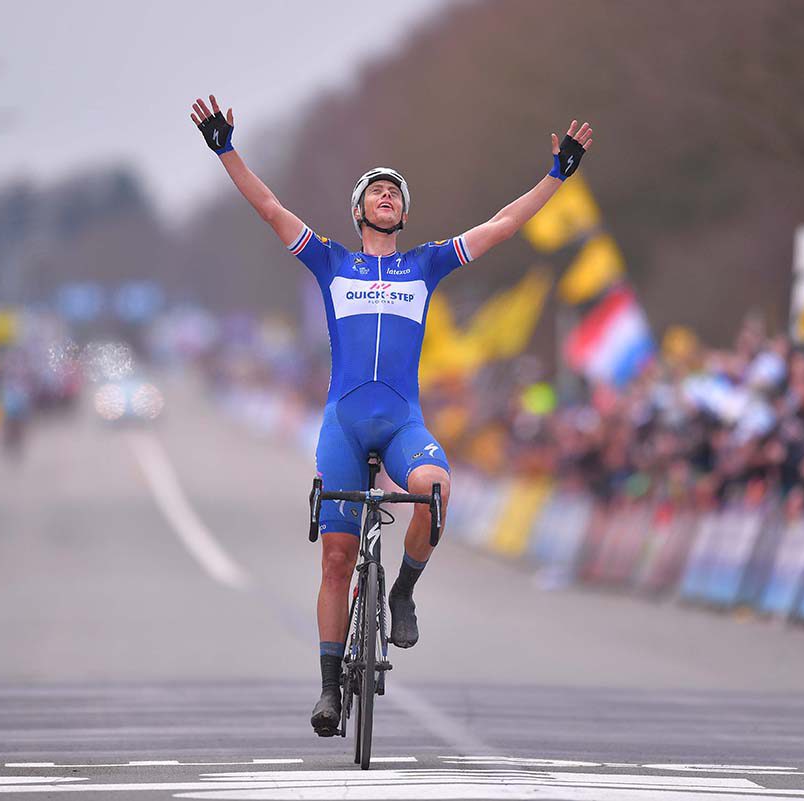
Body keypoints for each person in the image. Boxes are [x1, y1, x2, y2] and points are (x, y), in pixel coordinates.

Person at [191, 93, 593, 736]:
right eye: (376, 191)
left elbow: (502, 225)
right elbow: (269, 208)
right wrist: (225, 150)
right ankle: (328, 689)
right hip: (344, 425)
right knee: (336, 558)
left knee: (435, 491)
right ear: (359, 211)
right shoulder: (331, 261)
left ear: (404, 212)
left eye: (394, 192)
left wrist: (556, 176)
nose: (387, 196)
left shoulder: (425, 263)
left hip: (403, 420)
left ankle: (403, 591)